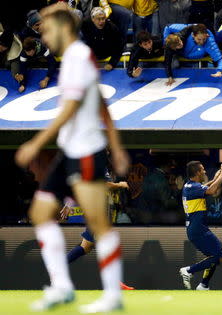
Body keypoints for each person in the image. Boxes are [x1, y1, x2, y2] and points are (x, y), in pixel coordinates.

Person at [15, 4, 129, 312]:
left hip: (85, 150)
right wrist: (116, 145)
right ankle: (62, 287)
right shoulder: (72, 59)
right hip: (70, 149)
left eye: (48, 29)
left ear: (63, 29)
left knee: (99, 226)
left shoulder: (78, 56)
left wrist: (36, 143)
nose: (44, 37)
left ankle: (112, 295)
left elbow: (71, 107)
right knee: (40, 213)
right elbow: (101, 103)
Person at [179, 160, 222, 290]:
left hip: (196, 228)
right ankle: (189, 271)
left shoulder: (189, 186)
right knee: (221, 255)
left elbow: (206, 188)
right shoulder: (194, 187)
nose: (205, 171)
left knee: (214, 256)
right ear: (197, 172)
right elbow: (212, 191)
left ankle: (204, 285)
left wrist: (215, 179)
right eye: (202, 169)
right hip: (198, 229)